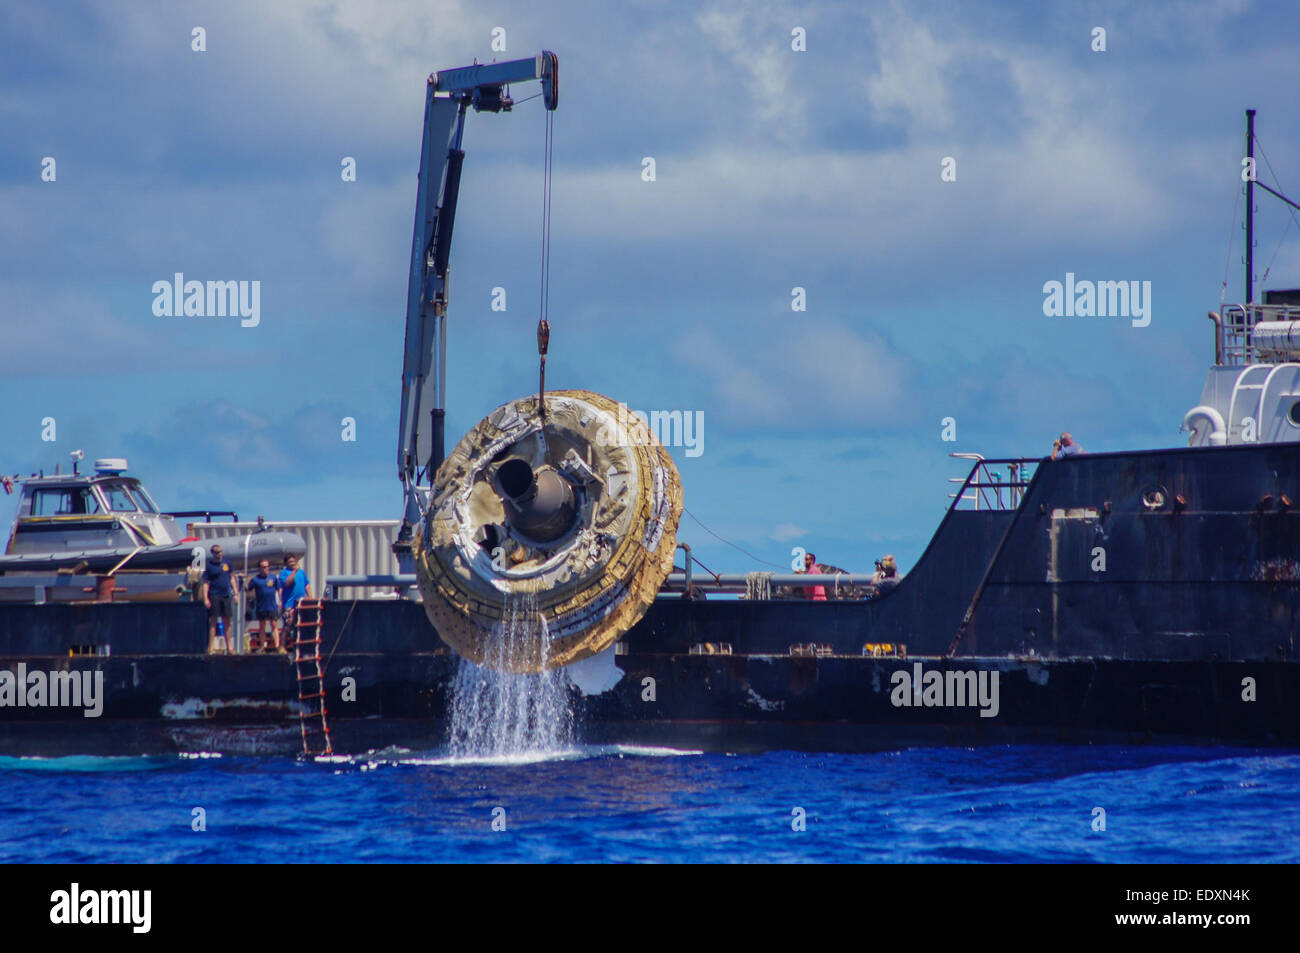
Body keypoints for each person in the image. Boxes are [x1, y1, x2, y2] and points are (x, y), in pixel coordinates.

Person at [202, 544, 235, 654]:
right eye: (216, 552)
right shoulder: (209, 566)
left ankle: (229, 647)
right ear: (212, 553)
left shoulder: (227, 563)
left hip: (226, 594)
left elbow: (232, 578)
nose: (219, 554)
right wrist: (206, 598)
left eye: (220, 552)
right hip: (214, 594)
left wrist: (236, 593)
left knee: (227, 621)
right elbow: (205, 583)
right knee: (213, 621)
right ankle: (211, 647)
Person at [245, 559, 283, 653]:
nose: (265, 569)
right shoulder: (255, 579)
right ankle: (262, 646)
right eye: (263, 567)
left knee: (274, 624)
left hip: (272, 605)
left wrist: (281, 601)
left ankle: (277, 646)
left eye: (267, 566)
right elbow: (248, 589)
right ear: (259, 568)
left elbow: (279, 589)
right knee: (262, 626)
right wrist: (243, 580)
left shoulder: (273, 578)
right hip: (261, 606)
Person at [278, 554, 312, 647]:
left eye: (294, 561)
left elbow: (307, 585)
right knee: (288, 626)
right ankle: (282, 646)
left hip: (301, 603)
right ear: (286, 563)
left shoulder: (301, 572)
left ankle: (300, 646)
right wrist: (294, 571)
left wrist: (310, 597)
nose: (293, 563)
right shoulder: (284, 573)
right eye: (290, 562)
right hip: (289, 604)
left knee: (301, 625)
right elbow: (288, 583)